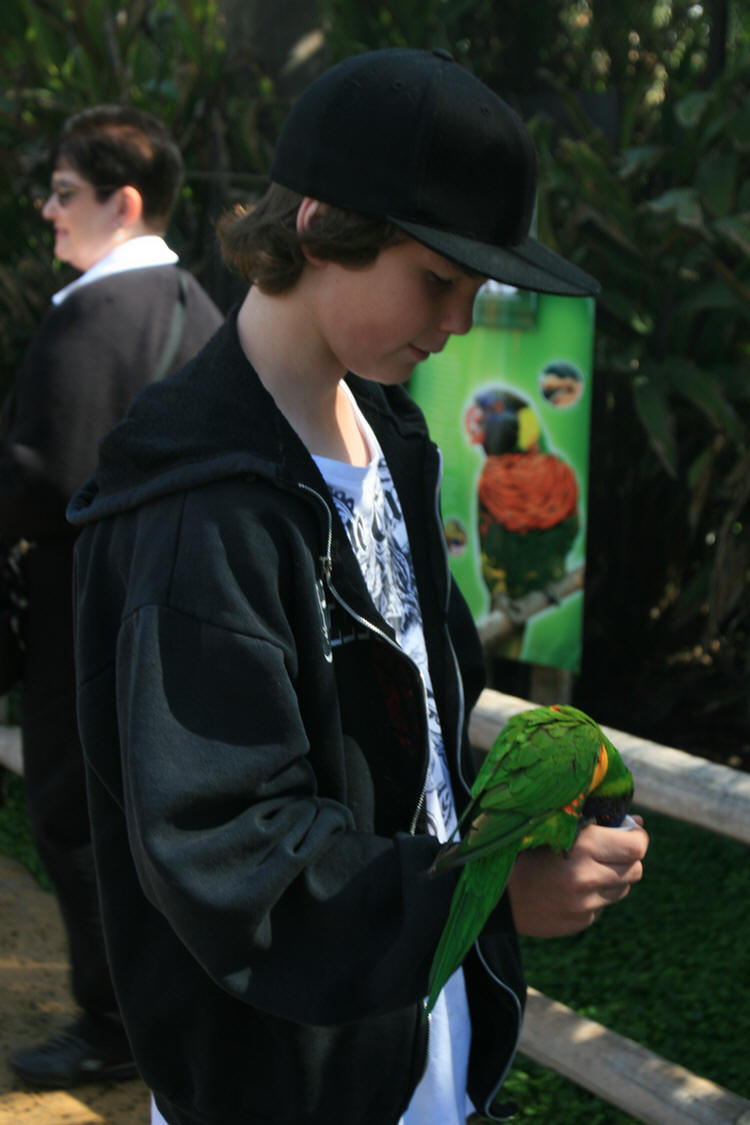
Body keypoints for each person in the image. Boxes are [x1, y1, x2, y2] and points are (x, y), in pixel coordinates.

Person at [67, 50, 648, 1125]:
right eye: (439, 281)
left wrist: (519, 832)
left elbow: (420, 724)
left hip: (413, 1050)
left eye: (478, 290)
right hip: (285, 1082)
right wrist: (479, 899)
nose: (463, 322)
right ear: (326, 223)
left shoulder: (390, 433)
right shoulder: (203, 514)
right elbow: (232, 852)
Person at [2, 104, 223, 1088]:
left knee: (76, 813)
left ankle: (114, 1021)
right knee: (154, 814)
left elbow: (39, 477)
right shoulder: (203, 309)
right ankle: (165, 1014)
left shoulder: (89, 312)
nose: (48, 214)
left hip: (77, 619)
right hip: (185, 615)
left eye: (62, 194)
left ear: (121, 201)